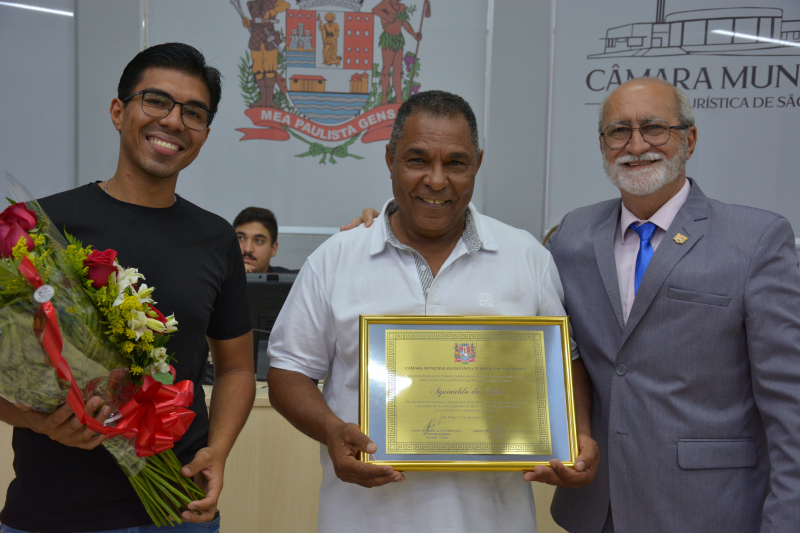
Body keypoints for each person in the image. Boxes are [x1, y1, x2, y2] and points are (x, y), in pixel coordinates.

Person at [346, 77, 800, 532]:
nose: (636, 145)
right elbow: (536, 326)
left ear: (690, 138)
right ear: (602, 145)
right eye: (618, 131)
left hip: (711, 509)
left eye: (654, 128)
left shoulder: (756, 241)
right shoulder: (572, 237)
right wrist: (389, 224)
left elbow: (790, 406)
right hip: (596, 510)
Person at [267, 90, 599, 533]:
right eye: (417, 160)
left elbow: (565, 363)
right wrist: (330, 429)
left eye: (456, 163)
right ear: (390, 159)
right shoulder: (336, 258)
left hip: (495, 521)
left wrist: (579, 435)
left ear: (477, 163)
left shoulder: (526, 257)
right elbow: (288, 372)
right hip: (362, 520)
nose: (437, 180)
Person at [0, 43, 256, 532]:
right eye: (156, 101)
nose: (174, 121)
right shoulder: (39, 227)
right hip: (55, 511)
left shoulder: (216, 238)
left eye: (194, 113)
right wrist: (35, 421)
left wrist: (218, 451)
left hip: (179, 508)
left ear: (204, 134)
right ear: (119, 112)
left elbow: (238, 367)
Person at [372, 0, 422, 105]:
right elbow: (375, 10)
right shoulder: (386, 3)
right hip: (388, 39)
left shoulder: (401, 7)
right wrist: (387, 16)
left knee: (398, 69)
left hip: (398, 39)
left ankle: (399, 97)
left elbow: (404, 22)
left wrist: (414, 34)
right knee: (386, 69)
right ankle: (384, 98)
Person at [242, 0, 290, 109]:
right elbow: (254, 21)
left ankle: (269, 100)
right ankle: (263, 100)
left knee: (270, 68)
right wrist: (248, 22)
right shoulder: (252, 3)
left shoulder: (273, 1)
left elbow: (286, 5)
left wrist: (271, 12)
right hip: (256, 38)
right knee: (258, 69)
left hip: (269, 36)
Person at [234, 206, 291, 273]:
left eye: (258, 241)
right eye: (240, 238)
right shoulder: (222, 278)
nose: (247, 249)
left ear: (273, 249)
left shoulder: (293, 279)